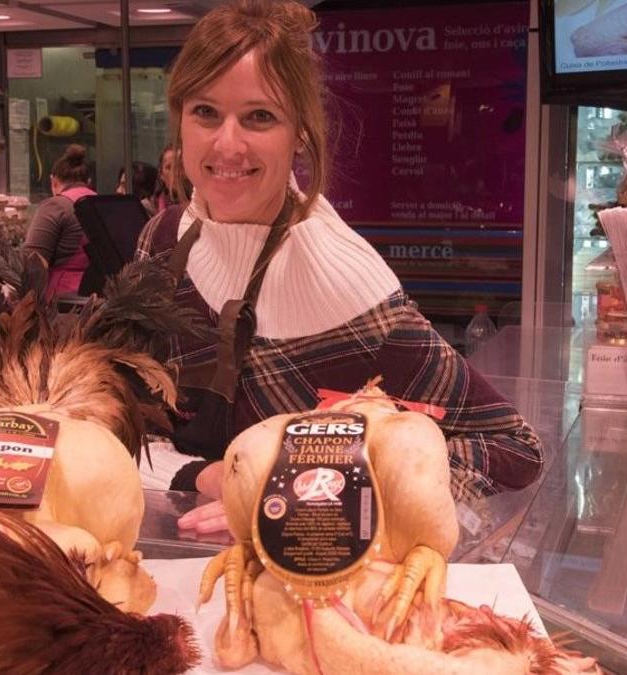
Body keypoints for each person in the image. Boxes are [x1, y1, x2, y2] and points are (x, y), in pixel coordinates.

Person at [136, 0, 543, 532]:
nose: (227, 143)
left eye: (260, 116)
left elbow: (513, 450)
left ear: (301, 132)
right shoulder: (165, 241)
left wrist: (339, 503)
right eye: (206, 112)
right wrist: (206, 475)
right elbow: (121, 419)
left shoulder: (348, 288)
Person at [23, 144, 96, 297]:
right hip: (102, 295)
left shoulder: (56, 205)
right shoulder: (101, 202)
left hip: (64, 301)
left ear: (53, 181)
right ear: (88, 181)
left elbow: (32, 262)